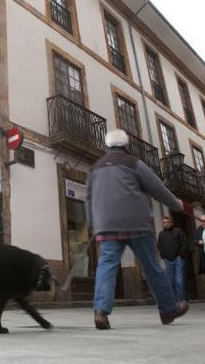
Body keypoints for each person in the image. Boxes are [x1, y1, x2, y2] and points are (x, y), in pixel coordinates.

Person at [85, 129, 189, 329]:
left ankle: (101, 312)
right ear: (126, 145)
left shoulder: (95, 168)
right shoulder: (133, 163)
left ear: (108, 146)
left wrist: (92, 225)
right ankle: (168, 310)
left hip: (106, 226)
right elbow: (157, 188)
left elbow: (88, 199)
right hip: (136, 223)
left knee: (106, 266)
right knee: (152, 266)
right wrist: (177, 205)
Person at [157, 216, 188, 302]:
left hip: (178, 259)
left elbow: (184, 243)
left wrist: (180, 255)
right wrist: (163, 256)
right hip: (168, 260)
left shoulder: (178, 231)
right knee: (169, 281)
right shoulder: (161, 234)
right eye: (164, 223)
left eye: (167, 222)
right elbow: (159, 246)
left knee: (179, 279)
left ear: (171, 223)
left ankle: (182, 300)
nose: (166, 224)